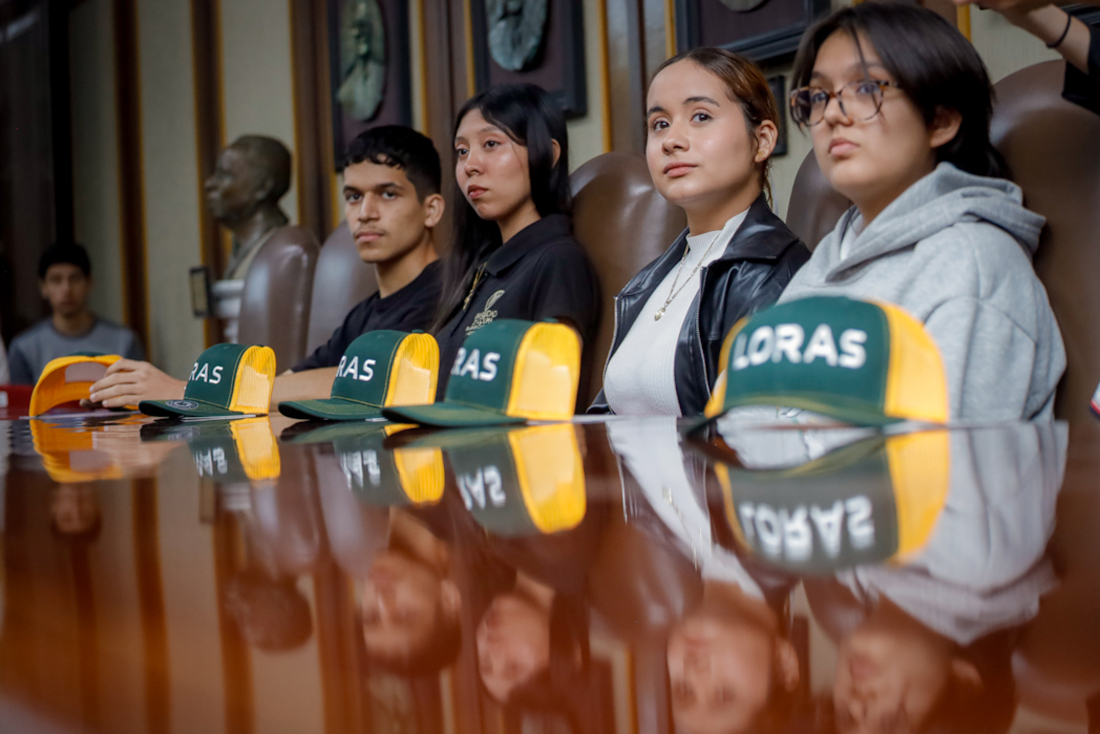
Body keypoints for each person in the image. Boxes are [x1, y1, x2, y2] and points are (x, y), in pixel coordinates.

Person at [778, 2, 1065, 421]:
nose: (833, 114)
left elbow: (940, 455)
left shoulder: (972, 262)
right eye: (819, 95)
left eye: (866, 88)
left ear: (940, 120)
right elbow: (742, 412)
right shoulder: (829, 254)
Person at [86, 125, 446, 408]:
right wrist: (137, 391)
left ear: (431, 210)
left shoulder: (449, 294)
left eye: (387, 194)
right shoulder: (364, 314)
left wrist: (184, 391)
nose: (365, 213)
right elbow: (287, 382)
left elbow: (368, 381)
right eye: (353, 196)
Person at [591, 48, 810, 416]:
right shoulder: (653, 277)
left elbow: (753, 436)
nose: (671, 140)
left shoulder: (777, 275)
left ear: (762, 140)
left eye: (701, 116)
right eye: (659, 123)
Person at [433, 83, 600, 398]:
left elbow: (549, 395)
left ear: (547, 155)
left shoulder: (557, 261)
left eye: (491, 144)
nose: (470, 165)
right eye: (462, 151)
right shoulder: (479, 265)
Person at [8, 243, 144, 385]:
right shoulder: (23, 348)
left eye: (75, 279)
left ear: (89, 283)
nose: (66, 288)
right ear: (43, 287)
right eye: (56, 280)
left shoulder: (125, 342)